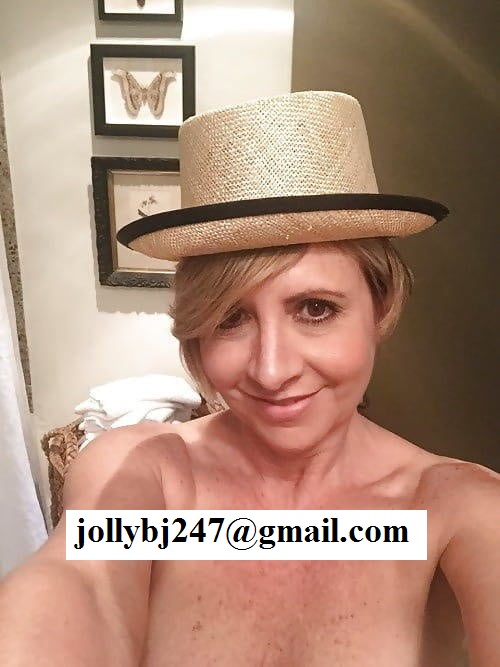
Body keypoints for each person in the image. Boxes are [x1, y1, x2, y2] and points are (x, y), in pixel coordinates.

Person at [0, 91, 498, 666]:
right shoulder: (148, 478)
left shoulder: (453, 512)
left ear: (380, 307)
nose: (271, 370)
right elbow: (81, 584)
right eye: (230, 319)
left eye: (315, 309)